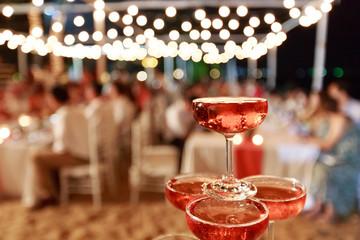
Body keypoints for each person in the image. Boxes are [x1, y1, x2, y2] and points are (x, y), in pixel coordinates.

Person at [22, 85, 89, 210]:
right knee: (42, 154)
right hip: (86, 153)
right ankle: (54, 191)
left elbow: (62, 144)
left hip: (78, 156)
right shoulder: (76, 110)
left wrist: (52, 149)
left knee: (36, 157)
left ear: (54, 99)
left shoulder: (64, 114)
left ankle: (49, 195)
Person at [305, 90, 356, 222]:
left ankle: (331, 210)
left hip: (346, 160)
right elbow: (312, 132)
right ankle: (317, 206)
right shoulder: (325, 117)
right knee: (317, 166)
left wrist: (308, 140)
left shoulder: (339, 118)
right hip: (332, 158)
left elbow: (328, 144)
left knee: (327, 169)